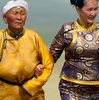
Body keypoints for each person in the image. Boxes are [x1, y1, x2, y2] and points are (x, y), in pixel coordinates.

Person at [36, 0, 99, 99]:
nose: (93, 13)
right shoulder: (68, 29)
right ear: (78, 9)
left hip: (97, 89)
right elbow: (52, 55)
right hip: (71, 88)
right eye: (89, 9)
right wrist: (40, 66)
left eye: (96, 9)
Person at [0, 0, 54, 100]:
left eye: (22, 14)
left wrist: (33, 84)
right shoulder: (0, 37)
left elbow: (48, 63)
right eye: (15, 13)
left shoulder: (33, 37)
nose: (19, 17)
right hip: (4, 93)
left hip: (32, 93)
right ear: (5, 18)